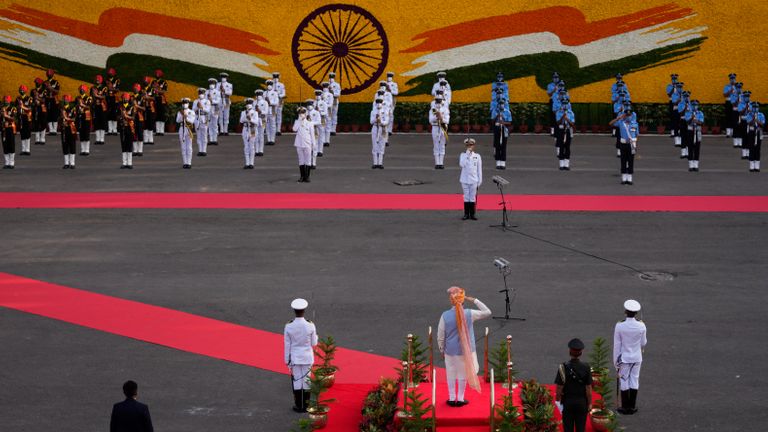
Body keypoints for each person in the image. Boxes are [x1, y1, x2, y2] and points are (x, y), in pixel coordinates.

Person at [437, 286, 491, 407]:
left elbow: (440, 335)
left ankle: (451, 398)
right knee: (462, 374)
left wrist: (441, 349)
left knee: (450, 373)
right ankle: (460, 398)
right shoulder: (469, 314)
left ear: (450, 300)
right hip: (466, 350)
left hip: (450, 350)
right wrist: (474, 300)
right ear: (462, 299)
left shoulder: (444, 315)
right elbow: (487, 312)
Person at [614, 299, 647, 415]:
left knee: (624, 380)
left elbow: (617, 345)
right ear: (636, 313)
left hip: (624, 358)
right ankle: (632, 407)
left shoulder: (620, 325)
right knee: (634, 379)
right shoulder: (642, 325)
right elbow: (644, 343)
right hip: (637, 357)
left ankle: (625, 406)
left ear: (625, 312)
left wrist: (615, 362)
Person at [284, 298, 318, 413]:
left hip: (295, 357)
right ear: (304, 310)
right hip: (307, 357)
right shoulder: (310, 325)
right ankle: (307, 405)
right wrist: (316, 335)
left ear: (294, 310)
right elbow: (314, 343)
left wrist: (286, 360)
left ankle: (299, 405)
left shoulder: (289, 326)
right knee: (307, 381)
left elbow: (287, 345)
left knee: (297, 381)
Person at [554, 338, 592, 432]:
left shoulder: (563, 367)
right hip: (582, 402)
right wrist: (590, 403)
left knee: (568, 428)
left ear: (569, 351)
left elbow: (559, 387)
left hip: (568, 402)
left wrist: (558, 400)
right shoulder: (586, 367)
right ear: (581, 352)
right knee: (581, 428)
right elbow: (588, 388)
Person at [610, 108, 639, 185]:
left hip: (631, 144)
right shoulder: (621, 123)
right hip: (623, 144)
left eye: (629, 115)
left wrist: (635, 145)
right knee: (623, 161)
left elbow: (636, 135)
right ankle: (623, 178)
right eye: (626, 115)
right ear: (624, 115)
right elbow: (611, 124)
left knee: (630, 161)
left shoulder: (635, 124)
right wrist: (618, 118)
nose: (628, 117)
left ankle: (629, 179)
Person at [459, 138, 482, 220]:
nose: (470, 147)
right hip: (464, 180)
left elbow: (479, 170)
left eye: (471, 145)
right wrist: (467, 155)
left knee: (472, 197)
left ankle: (472, 214)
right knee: (466, 197)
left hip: (474, 180)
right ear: (466, 146)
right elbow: (462, 164)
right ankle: (466, 214)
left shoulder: (477, 156)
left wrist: (479, 181)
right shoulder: (463, 155)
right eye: (468, 145)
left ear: (474, 146)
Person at [293, 107, 317, 183]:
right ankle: (302, 176)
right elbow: (294, 129)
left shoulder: (310, 123)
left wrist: (314, 144)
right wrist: (299, 121)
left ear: (306, 114)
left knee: (308, 160)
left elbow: (312, 135)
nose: (301, 114)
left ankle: (307, 177)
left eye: (303, 113)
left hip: (307, 144)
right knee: (301, 160)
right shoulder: (297, 122)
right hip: (299, 144)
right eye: (300, 113)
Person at [490, 89, 512, 169]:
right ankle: (498, 162)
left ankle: (503, 163)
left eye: (503, 104)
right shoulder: (495, 111)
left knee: (503, 146)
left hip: (504, 130)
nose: (501, 105)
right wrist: (497, 116)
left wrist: (503, 122)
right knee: (497, 145)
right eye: (500, 104)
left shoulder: (507, 112)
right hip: (497, 129)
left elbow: (509, 122)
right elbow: (492, 121)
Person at [429, 96, 450, 169]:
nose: (438, 102)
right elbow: (430, 120)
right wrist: (436, 117)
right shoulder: (432, 109)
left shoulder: (445, 109)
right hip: (435, 127)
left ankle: (441, 163)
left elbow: (447, 121)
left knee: (442, 145)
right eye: (437, 100)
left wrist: (441, 117)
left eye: (439, 100)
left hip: (443, 126)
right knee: (435, 145)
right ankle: (437, 163)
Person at [684, 100, 704, 171]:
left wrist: (697, 121)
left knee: (697, 148)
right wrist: (692, 117)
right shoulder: (688, 113)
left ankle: (696, 165)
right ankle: (690, 165)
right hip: (690, 131)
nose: (695, 106)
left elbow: (701, 122)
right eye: (693, 105)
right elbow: (687, 122)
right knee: (690, 148)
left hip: (698, 131)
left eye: (696, 105)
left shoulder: (700, 113)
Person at [239, 98, 260, 169]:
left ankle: (251, 163)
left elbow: (256, 122)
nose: (248, 105)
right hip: (245, 129)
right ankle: (247, 163)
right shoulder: (243, 112)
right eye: (247, 104)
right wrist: (246, 115)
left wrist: (250, 119)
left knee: (252, 146)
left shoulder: (255, 112)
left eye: (249, 104)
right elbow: (241, 121)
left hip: (252, 128)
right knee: (246, 146)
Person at [555, 97, 575, 170]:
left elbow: (573, 124)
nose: (565, 105)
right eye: (563, 103)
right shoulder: (558, 112)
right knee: (561, 147)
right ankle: (561, 164)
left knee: (567, 147)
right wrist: (562, 117)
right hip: (561, 130)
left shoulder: (571, 113)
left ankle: (566, 164)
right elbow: (557, 122)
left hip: (568, 130)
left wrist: (567, 119)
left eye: (566, 103)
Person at [176, 98, 195, 169]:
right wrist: (182, 116)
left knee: (189, 146)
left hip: (188, 129)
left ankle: (189, 162)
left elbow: (192, 121)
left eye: (186, 103)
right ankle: (185, 162)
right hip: (182, 128)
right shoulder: (180, 112)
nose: (185, 104)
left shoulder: (191, 112)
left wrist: (186, 117)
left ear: (188, 104)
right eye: (183, 103)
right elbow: (177, 120)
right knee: (183, 147)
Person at [118, 92, 136, 169]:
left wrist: (126, 116)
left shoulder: (132, 107)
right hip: (123, 128)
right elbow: (117, 117)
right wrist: (121, 117)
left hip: (129, 128)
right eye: (124, 98)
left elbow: (133, 117)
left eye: (126, 98)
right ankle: (124, 162)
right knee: (123, 145)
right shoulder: (120, 107)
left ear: (128, 99)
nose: (125, 99)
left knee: (129, 145)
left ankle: (129, 162)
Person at [192, 88, 211, 157]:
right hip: (197, 118)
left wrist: (202, 107)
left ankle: (204, 150)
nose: (201, 95)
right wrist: (197, 107)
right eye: (200, 93)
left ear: (204, 94)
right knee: (198, 135)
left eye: (202, 93)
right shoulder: (195, 101)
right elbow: (193, 110)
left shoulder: (207, 101)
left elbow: (208, 110)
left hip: (204, 118)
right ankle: (200, 150)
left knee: (204, 135)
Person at [370, 97, 388, 169]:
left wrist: (381, 122)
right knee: (374, 146)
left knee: (382, 145)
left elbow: (386, 121)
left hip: (382, 128)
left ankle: (380, 163)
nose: (378, 104)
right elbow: (371, 122)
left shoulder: (385, 112)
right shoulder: (373, 112)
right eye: (377, 102)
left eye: (380, 102)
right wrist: (375, 119)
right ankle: (375, 163)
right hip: (375, 128)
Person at [75, 84, 93, 156]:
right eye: (80, 89)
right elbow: (75, 106)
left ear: (85, 90)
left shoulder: (88, 98)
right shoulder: (77, 98)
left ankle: (87, 150)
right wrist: (78, 105)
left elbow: (89, 106)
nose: (81, 90)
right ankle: (82, 150)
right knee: (81, 133)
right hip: (80, 116)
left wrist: (82, 105)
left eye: (82, 89)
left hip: (86, 117)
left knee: (86, 133)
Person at [746, 101, 764, 172]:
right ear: (752, 108)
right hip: (752, 132)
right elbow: (749, 123)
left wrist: (757, 119)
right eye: (754, 107)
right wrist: (753, 117)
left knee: (757, 149)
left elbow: (762, 124)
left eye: (756, 107)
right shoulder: (749, 114)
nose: (755, 108)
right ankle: (751, 166)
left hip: (759, 132)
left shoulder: (761, 115)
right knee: (751, 148)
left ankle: (757, 166)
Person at [16, 85, 33, 156]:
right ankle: (23, 149)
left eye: (23, 90)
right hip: (21, 118)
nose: (21, 91)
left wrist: (22, 106)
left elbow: (30, 108)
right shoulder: (17, 98)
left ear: (26, 91)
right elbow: (16, 108)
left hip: (27, 118)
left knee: (27, 133)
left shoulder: (29, 98)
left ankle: (27, 149)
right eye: (20, 90)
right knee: (22, 133)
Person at [91, 75, 108, 145]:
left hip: (102, 107)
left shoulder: (104, 88)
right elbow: (92, 97)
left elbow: (105, 96)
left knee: (102, 122)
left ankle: (102, 139)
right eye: (96, 79)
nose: (97, 80)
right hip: (96, 106)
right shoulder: (93, 87)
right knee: (96, 122)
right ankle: (97, 139)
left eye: (98, 79)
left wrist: (97, 96)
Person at [1, 95, 18, 169]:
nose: (5, 101)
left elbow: (14, 118)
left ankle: (11, 162)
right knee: (5, 145)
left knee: (11, 145)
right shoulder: (2, 109)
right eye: (4, 100)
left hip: (10, 129)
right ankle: (6, 162)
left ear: (10, 101)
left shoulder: (13, 108)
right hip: (4, 129)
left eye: (7, 100)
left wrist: (6, 116)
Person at [151, 69, 168, 135]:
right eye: (156, 74)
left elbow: (164, 91)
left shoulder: (163, 82)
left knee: (162, 115)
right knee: (157, 115)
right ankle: (158, 131)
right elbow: (151, 90)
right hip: (155, 99)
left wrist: (157, 90)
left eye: (158, 74)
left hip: (161, 99)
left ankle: (162, 131)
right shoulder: (153, 81)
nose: (156, 75)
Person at [44, 69, 60, 135]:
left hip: (54, 99)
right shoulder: (44, 83)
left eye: (50, 74)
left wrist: (51, 88)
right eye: (48, 74)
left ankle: (55, 130)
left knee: (55, 114)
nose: (49, 75)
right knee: (49, 114)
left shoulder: (56, 82)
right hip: (48, 99)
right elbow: (43, 92)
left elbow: (57, 91)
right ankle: (51, 130)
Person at [205, 78, 221, 146]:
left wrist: (212, 100)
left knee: (215, 124)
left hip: (215, 107)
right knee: (209, 124)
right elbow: (205, 101)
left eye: (213, 84)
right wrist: (208, 101)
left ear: (215, 84)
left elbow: (218, 100)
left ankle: (215, 139)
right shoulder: (206, 92)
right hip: (209, 108)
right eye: (210, 84)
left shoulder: (217, 92)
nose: (211, 85)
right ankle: (211, 139)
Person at [106, 67, 121, 135]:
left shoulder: (117, 80)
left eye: (111, 73)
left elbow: (117, 89)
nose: (110, 74)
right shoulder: (106, 80)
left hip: (115, 98)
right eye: (109, 73)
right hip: (108, 98)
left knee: (114, 114)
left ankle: (114, 130)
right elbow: (105, 89)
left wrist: (111, 88)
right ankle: (110, 130)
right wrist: (110, 89)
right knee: (109, 114)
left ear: (114, 73)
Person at [254, 90, 268, 156]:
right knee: (256, 135)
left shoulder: (265, 102)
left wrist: (260, 111)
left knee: (261, 135)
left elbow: (266, 112)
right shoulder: (254, 102)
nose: (258, 96)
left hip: (263, 120)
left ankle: (261, 150)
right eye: (257, 95)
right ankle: (256, 150)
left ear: (262, 95)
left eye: (260, 95)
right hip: (256, 120)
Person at [265, 79, 279, 146]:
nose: (269, 86)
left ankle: (272, 140)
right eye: (268, 85)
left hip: (272, 110)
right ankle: (268, 139)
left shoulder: (275, 93)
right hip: (266, 111)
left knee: (273, 125)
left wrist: (270, 102)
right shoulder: (264, 93)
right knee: (267, 126)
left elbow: (276, 102)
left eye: (270, 85)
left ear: (272, 85)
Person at [386, 72, 399, 136]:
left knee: (390, 115)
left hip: (391, 101)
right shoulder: (384, 84)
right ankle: (384, 129)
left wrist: (390, 90)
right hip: (385, 101)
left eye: (390, 77)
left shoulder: (394, 84)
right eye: (388, 77)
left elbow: (396, 93)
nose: (389, 78)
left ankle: (389, 130)